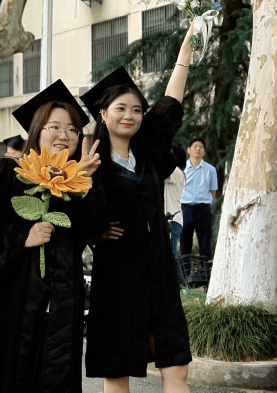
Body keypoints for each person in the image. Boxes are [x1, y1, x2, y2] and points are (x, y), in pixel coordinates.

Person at [0, 80, 107, 392]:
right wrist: (22, 237)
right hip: (16, 302)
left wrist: (86, 182)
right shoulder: (9, 172)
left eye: (72, 130)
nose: (63, 135)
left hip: (61, 304)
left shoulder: (75, 183)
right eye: (54, 126)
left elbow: (94, 229)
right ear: (36, 130)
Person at [81, 23, 195, 393]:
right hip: (117, 277)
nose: (129, 115)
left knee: (176, 364)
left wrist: (184, 53)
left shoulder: (148, 152)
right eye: (120, 108)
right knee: (117, 370)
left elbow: (170, 104)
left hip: (159, 271)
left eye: (136, 109)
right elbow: (79, 220)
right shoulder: (91, 163)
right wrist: (93, 228)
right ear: (102, 114)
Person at [179, 137, 218, 259]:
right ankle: (185, 269)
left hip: (203, 209)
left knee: (205, 241)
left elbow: (213, 190)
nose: (198, 149)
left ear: (204, 152)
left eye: (201, 147)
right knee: (185, 240)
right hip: (186, 208)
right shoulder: (181, 169)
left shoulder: (211, 170)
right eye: (195, 146)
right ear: (189, 150)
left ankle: (205, 269)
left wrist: (208, 203)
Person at [165, 147, 186, 257]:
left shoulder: (175, 171)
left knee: (171, 257)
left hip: (172, 221)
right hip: (170, 220)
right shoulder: (177, 172)